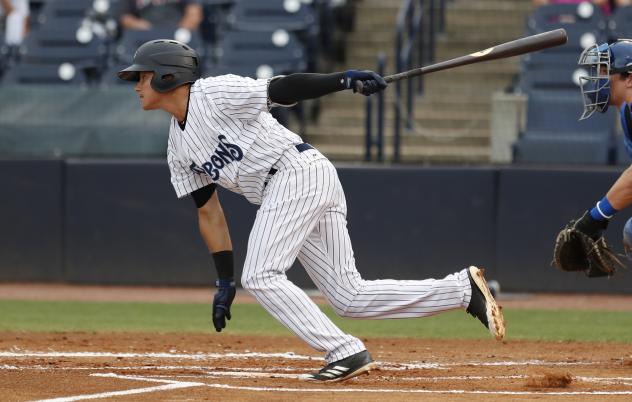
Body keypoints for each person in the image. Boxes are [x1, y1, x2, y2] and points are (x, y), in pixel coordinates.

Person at [117, 39, 506, 382]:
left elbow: (281, 87)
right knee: (348, 296)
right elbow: (209, 213)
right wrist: (223, 280)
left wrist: (344, 79)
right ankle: (460, 290)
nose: (136, 84)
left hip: (294, 173)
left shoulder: (211, 94)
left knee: (262, 273)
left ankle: (343, 351)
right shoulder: (177, 147)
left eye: (142, 75)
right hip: (289, 187)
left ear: (168, 76)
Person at [557, 39, 632, 269]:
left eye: (605, 72)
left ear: (629, 78)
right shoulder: (627, 112)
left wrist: (595, 217)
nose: (599, 80)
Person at [118, 0, 202, 32]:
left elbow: (194, 14)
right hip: (144, 37)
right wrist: (144, 28)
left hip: (178, 37)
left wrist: (180, 31)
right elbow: (124, 17)